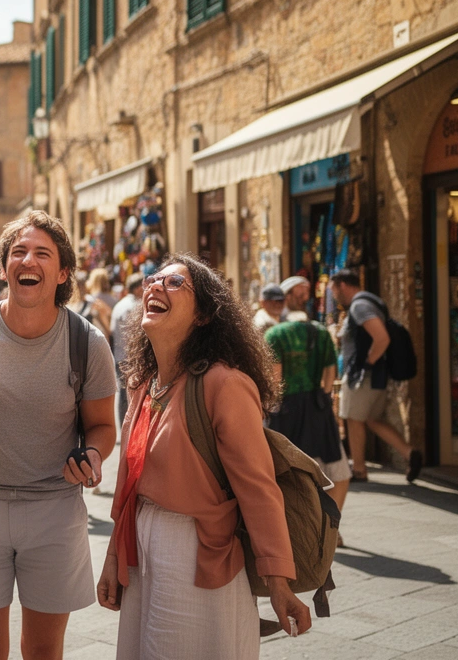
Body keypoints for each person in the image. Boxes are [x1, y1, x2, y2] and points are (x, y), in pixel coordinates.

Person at [97, 256, 312, 658]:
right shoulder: (144, 385)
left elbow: (258, 488)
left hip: (196, 555)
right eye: (154, 279)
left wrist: (279, 583)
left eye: (174, 283)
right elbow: (128, 484)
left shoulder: (224, 384)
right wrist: (113, 557)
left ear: (203, 316)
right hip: (140, 551)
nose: (155, 286)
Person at [0, 212, 117, 660]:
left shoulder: (87, 342)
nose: (28, 260)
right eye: (18, 252)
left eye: (42, 253)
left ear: (62, 273)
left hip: (54, 510)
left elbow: (102, 425)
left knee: (43, 649)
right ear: (4, 269)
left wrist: (93, 455)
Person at [331, 269, 422, 483]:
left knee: (353, 419)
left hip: (363, 377)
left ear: (343, 285)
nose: (333, 295)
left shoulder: (360, 306)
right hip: (375, 376)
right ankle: (410, 453)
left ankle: (359, 470)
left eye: (334, 290)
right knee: (372, 420)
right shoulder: (369, 302)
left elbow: (382, 338)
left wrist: (366, 364)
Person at [266, 308, 351, 516]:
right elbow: (330, 372)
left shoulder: (275, 334)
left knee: (290, 472)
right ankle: (331, 524)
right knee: (337, 470)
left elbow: (276, 376)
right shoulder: (322, 333)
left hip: (286, 410)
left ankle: (301, 525)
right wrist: (324, 397)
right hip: (317, 405)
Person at [110, 272, 145, 431]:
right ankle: (128, 429)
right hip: (131, 357)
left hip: (120, 356)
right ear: (137, 288)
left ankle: (125, 428)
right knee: (130, 395)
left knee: (124, 394)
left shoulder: (119, 305)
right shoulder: (134, 306)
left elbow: (112, 330)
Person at [74, 273, 112, 345]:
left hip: (89, 343)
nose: (81, 289)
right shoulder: (67, 304)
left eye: (83, 285)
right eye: (79, 286)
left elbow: (104, 326)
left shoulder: (93, 302)